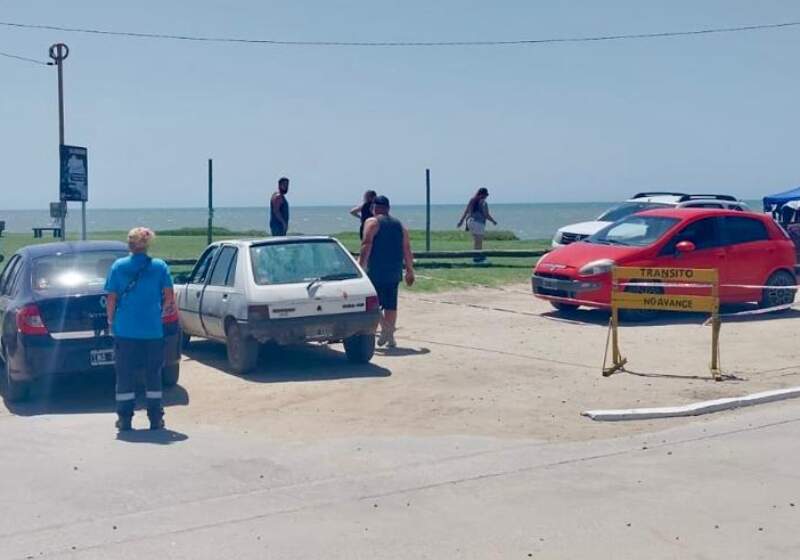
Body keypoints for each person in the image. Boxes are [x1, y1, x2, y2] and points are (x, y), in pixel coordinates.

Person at [105, 227, 175, 432]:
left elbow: (111, 298)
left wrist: (111, 321)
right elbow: (169, 296)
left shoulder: (118, 267)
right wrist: (160, 313)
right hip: (153, 330)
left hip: (125, 330)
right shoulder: (159, 267)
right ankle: (155, 418)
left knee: (125, 375)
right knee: (153, 374)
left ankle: (125, 419)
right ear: (147, 245)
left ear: (129, 245)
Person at [359, 195, 415, 348]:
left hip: (375, 269)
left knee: (372, 303)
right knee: (391, 304)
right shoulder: (400, 225)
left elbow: (366, 244)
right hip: (394, 270)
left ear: (374, 208)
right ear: (388, 208)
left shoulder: (372, 222)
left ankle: (386, 329)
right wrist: (410, 270)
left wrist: (360, 266)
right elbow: (407, 248)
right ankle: (390, 336)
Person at [457, 187, 497, 263]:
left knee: (476, 241)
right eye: (486, 195)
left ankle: (476, 257)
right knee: (479, 242)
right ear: (483, 195)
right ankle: (478, 258)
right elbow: (486, 215)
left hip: (470, 222)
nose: (486, 197)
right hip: (478, 223)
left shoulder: (472, 200)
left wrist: (461, 222)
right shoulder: (483, 202)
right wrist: (493, 221)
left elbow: (466, 212)